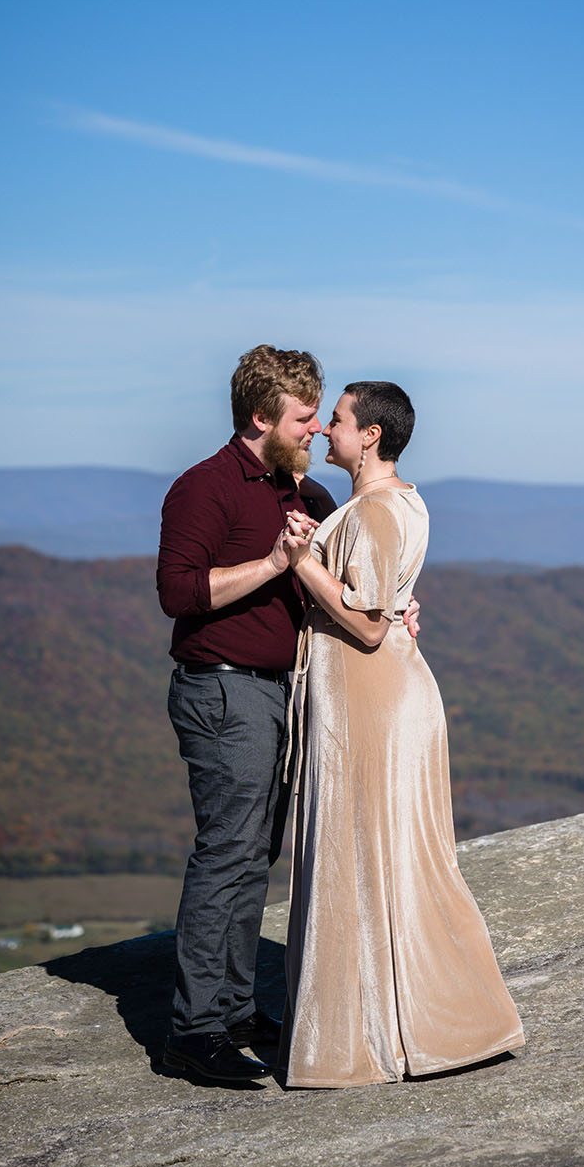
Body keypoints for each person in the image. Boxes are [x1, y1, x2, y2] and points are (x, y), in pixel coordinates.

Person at [280, 381, 524, 1088]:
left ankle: (388, 1033)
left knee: (365, 860)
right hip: (381, 698)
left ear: (372, 436)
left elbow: (363, 623)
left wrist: (301, 564)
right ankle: (406, 1022)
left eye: (338, 421)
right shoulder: (401, 502)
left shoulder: (380, 512)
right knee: (386, 862)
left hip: (369, 705)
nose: (327, 431)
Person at [156, 344, 336, 1083]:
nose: (317, 428)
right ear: (261, 417)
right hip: (224, 689)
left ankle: (231, 1010)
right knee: (228, 854)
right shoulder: (206, 487)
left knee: (255, 854)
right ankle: (192, 1033)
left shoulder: (309, 496)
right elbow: (178, 592)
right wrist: (270, 565)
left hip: (280, 692)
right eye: (303, 416)